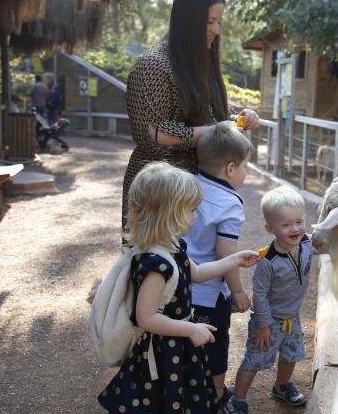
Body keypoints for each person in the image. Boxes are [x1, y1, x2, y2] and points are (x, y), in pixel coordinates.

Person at [98, 162, 261, 413]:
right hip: (163, 351)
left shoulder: (174, 246)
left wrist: (234, 260)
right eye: (192, 210)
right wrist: (190, 329)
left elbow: (197, 273)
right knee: (163, 401)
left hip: (178, 343)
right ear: (168, 213)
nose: (196, 216)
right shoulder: (156, 265)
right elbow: (146, 317)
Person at [121, 0, 261, 241]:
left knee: (193, 273)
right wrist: (217, 130)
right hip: (158, 191)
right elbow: (153, 133)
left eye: (219, 22)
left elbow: (210, 120)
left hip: (197, 188)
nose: (216, 30)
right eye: (210, 22)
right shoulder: (152, 66)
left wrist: (237, 120)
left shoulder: (201, 65)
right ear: (188, 20)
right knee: (154, 270)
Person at [183, 123, 253, 409]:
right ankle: (216, 394)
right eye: (246, 166)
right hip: (209, 294)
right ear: (231, 168)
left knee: (185, 343)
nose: (246, 172)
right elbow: (226, 253)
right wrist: (237, 291)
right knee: (215, 346)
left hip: (179, 287)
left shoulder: (187, 186)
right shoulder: (229, 203)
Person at [225, 186, 312, 414]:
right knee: (254, 358)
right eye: (286, 225)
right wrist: (263, 325)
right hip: (269, 320)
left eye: (299, 221)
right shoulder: (267, 261)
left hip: (292, 317)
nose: (295, 229)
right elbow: (260, 294)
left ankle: (281, 385)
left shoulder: (307, 244)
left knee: (290, 354)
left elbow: (331, 241)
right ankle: (238, 400)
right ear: (269, 228)